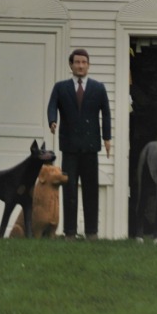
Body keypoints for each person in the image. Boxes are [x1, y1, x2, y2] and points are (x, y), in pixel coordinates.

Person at [47, 48, 111, 239]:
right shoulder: (61, 87)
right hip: (70, 147)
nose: (80, 66)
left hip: (91, 147)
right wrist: (52, 120)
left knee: (91, 190)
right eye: (77, 62)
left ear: (88, 65)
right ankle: (70, 232)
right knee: (70, 190)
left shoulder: (98, 88)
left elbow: (106, 113)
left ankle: (92, 232)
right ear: (71, 65)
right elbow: (52, 105)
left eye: (84, 62)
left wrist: (107, 138)